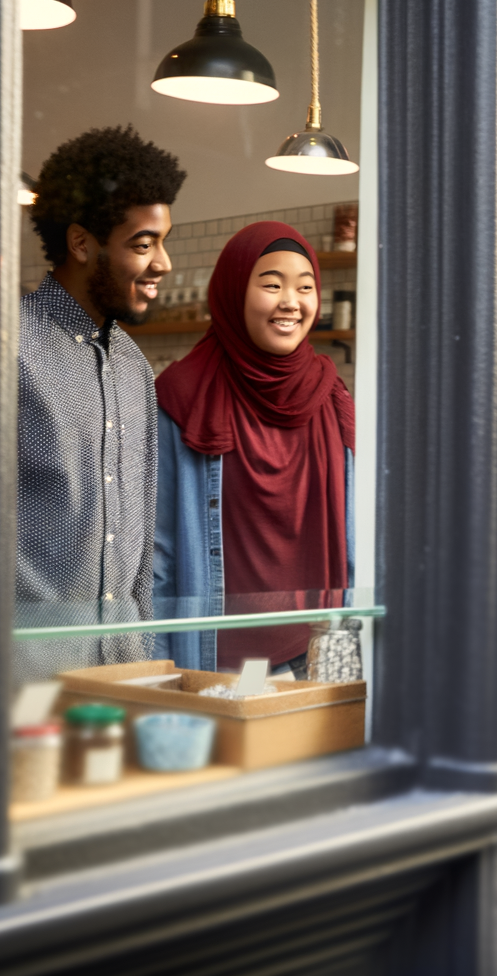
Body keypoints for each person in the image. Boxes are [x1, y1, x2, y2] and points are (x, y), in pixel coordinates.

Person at [16, 125, 185, 681]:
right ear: (83, 244)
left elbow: (138, 546)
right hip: (25, 682)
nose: (162, 262)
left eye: (162, 242)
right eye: (143, 244)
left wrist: (143, 666)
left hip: (121, 678)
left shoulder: (136, 369)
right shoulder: (6, 347)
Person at [153, 222, 354, 673]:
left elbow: (357, 536)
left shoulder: (331, 394)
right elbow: (157, 556)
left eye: (305, 287)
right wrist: (156, 676)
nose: (291, 301)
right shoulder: (183, 394)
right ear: (232, 292)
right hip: (215, 663)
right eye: (271, 284)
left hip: (319, 655)